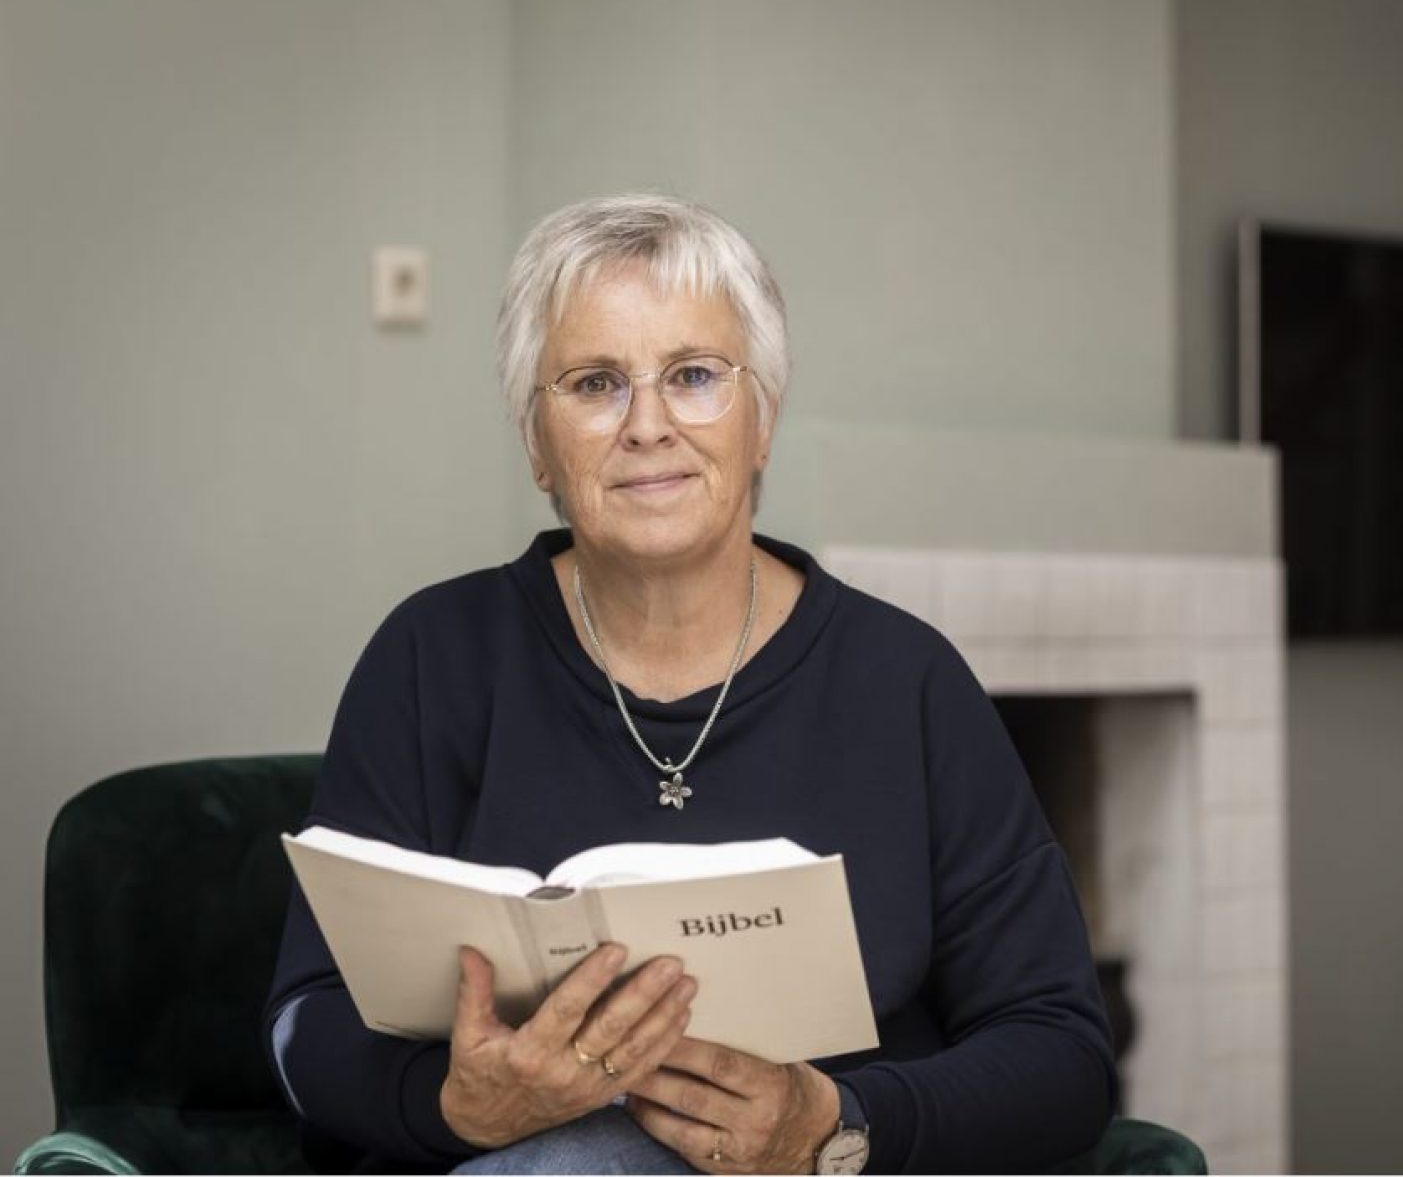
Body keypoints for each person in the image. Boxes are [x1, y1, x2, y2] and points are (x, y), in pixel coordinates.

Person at [264, 193, 1117, 1174]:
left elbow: (1063, 1054)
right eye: (594, 383)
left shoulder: (908, 681)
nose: (648, 425)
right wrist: (456, 1104)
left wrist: (834, 1125)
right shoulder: (432, 656)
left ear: (763, 420)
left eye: (695, 376)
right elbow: (304, 1022)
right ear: (537, 443)